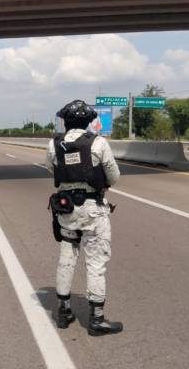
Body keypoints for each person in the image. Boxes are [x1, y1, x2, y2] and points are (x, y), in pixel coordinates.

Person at [45, 99, 123, 337]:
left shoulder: (53, 143)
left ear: (65, 121)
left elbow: (52, 169)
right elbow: (114, 176)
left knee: (67, 256)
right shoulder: (98, 143)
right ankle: (97, 319)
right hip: (92, 209)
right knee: (96, 262)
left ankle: (63, 311)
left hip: (66, 208)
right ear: (89, 121)